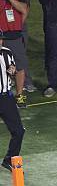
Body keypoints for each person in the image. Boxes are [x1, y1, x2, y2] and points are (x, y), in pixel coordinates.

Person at [0, 0, 29, 107]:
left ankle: (19, 95)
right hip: (0, 37)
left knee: (19, 66)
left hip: (14, 36)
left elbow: (24, 10)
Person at [0, 31, 24, 172]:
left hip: (5, 97)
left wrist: (12, 71)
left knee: (19, 131)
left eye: (1, 40)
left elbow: (13, 70)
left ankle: (10, 159)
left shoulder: (7, 53)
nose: (0, 42)